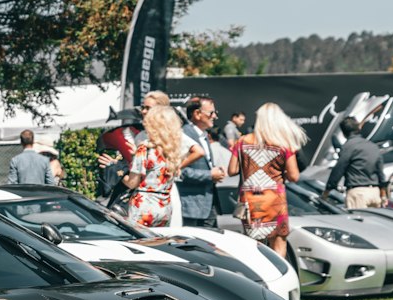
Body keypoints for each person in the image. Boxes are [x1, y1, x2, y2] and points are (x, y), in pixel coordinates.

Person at [229, 102, 306, 256]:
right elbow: (294, 176)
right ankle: (280, 276)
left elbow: (232, 171)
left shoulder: (242, 141)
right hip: (275, 200)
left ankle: (257, 277)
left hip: (251, 201)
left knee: (253, 245)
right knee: (278, 242)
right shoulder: (284, 144)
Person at [121, 104, 185, 228]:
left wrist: (118, 172)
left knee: (138, 243)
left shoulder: (145, 148)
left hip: (144, 206)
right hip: (164, 206)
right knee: (157, 244)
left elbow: (132, 183)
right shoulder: (173, 150)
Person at [176, 96, 226, 227]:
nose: (215, 116)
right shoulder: (184, 135)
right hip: (191, 207)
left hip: (208, 204)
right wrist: (210, 175)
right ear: (197, 114)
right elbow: (179, 170)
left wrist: (215, 171)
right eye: (211, 113)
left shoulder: (203, 135)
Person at [322, 116, 388, 209]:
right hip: (374, 193)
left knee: (357, 223)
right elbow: (381, 174)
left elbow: (338, 170)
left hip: (358, 194)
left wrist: (327, 191)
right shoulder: (373, 146)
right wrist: (383, 194)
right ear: (358, 128)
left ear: (344, 133)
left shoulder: (348, 147)